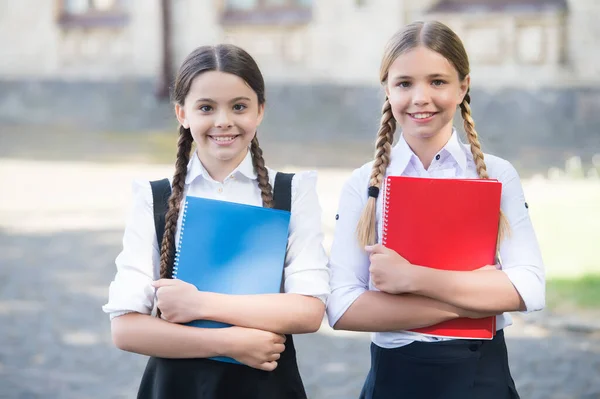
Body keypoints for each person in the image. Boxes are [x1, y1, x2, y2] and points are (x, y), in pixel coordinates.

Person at [326, 21, 545, 399]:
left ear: (463, 87)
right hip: (395, 379)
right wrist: (474, 300)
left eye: (438, 82)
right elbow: (343, 307)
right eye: (405, 83)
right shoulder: (364, 183)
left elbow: (527, 288)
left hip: (482, 377)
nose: (421, 97)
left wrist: (412, 278)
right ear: (388, 90)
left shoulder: (496, 174)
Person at [102, 44, 330, 399]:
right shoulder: (155, 198)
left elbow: (308, 311)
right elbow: (126, 329)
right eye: (206, 107)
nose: (223, 120)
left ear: (260, 111)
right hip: (179, 386)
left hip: (266, 385)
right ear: (182, 113)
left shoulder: (292, 192)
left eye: (239, 106)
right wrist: (229, 342)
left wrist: (199, 305)